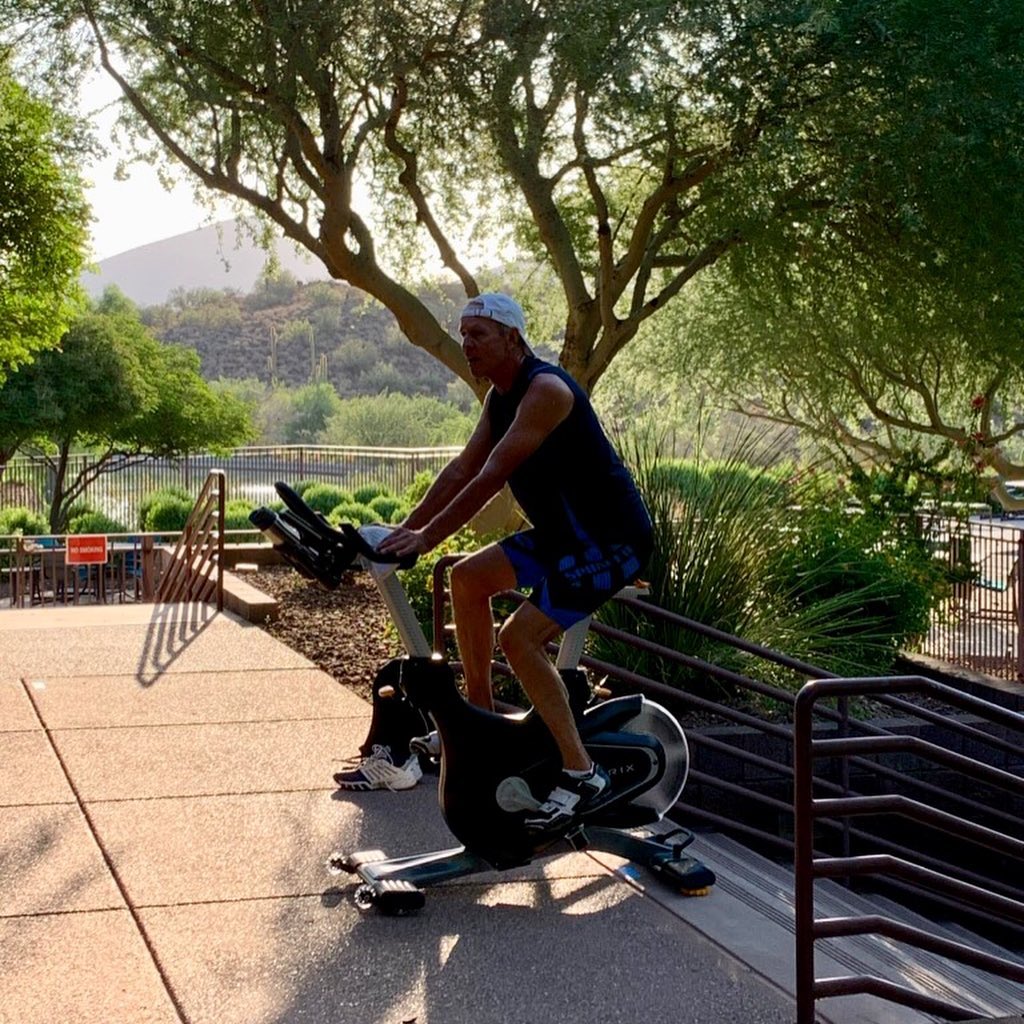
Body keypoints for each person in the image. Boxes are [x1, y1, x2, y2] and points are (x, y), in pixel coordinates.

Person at [334, 293, 653, 831]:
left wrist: (425, 539)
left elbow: (490, 477)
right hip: (564, 537)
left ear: (512, 338)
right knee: (467, 578)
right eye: (462, 333)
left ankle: (582, 773)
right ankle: (478, 720)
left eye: (478, 334)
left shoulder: (546, 391)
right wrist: (403, 532)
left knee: (518, 638)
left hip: (612, 540)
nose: (467, 344)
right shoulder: (498, 398)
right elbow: (462, 468)